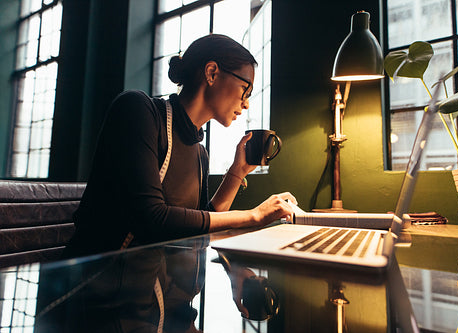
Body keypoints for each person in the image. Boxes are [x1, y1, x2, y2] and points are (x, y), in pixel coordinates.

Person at [63, 34, 296, 258]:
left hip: (151, 287)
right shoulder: (137, 110)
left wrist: (237, 173)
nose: (246, 104)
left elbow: (199, 222)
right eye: (246, 89)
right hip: (97, 285)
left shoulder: (199, 151)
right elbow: (151, 218)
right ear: (212, 72)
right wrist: (254, 216)